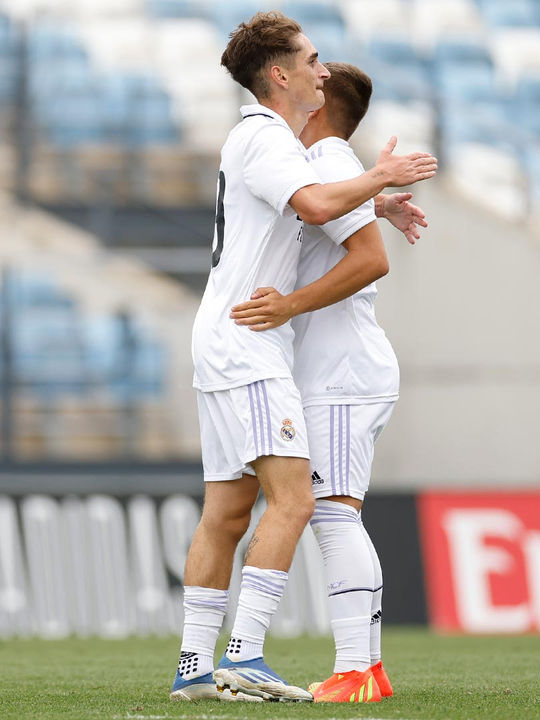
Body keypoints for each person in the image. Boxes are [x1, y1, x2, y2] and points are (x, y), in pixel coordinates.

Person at [170, 11, 435, 703]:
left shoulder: (279, 143)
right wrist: (378, 179)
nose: (323, 69)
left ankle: (196, 666)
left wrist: (373, 201)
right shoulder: (270, 140)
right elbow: (317, 207)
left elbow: (312, 212)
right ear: (280, 74)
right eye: (312, 58)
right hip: (254, 343)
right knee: (296, 502)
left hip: (233, 339)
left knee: (229, 511)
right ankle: (246, 655)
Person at [233, 61, 409, 704]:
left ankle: (355, 669)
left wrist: (289, 306)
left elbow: (372, 261)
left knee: (334, 517)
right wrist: (377, 198)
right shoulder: (332, 167)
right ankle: (369, 669)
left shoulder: (330, 159)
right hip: (343, 369)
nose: (302, 81)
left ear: (323, 99)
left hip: (339, 371)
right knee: (337, 514)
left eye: (313, 76)